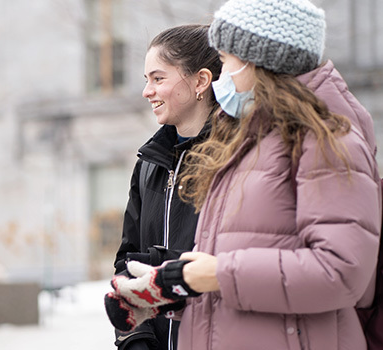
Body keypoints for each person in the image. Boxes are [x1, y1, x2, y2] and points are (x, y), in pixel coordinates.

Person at [107, 0, 380, 349]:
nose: (221, 73)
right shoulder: (243, 144)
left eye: (225, 60)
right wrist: (167, 289)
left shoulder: (328, 142)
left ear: (258, 62)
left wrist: (205, 275)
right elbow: (245, 269)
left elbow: (341, 272)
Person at [111, 24, 221, 350]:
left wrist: (167, 271)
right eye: (147, 80)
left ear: (201, 81)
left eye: (158, 79)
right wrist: (135, 342)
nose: (147, 91)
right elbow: (125, 265)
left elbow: (232, 267)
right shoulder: (148, 164)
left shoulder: (236, 161)